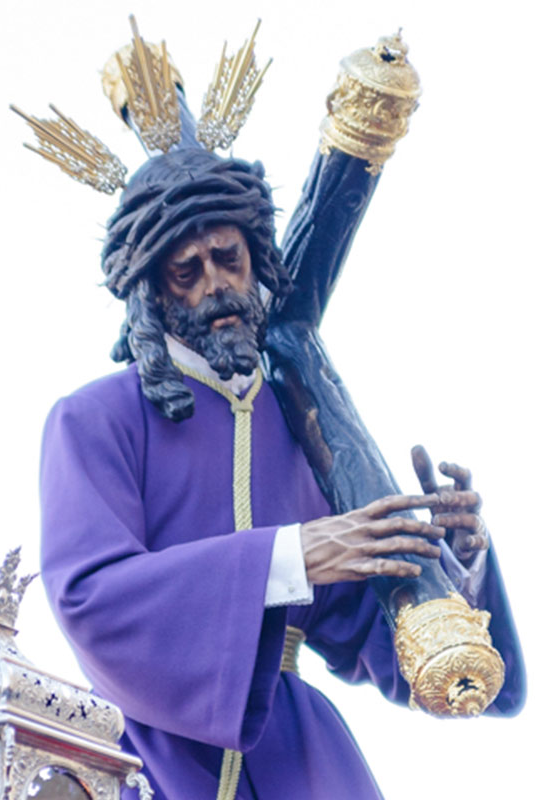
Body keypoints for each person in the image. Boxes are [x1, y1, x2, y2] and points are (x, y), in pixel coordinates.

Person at [38, 146, 510, 799]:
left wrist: (449, 568)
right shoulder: (95, 419)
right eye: (186, 269)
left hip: (300, 761)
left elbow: (379, 643)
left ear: (258, 259)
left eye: (228, 258)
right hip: (153, 761)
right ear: (152, 287)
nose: (214, 284)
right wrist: (290, 557)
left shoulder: (299, 420)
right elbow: (90, 598)